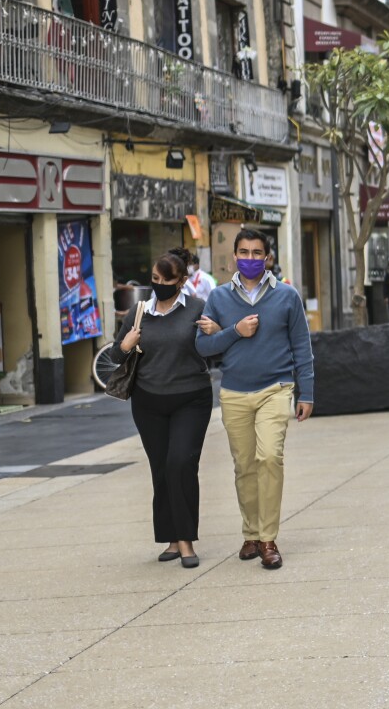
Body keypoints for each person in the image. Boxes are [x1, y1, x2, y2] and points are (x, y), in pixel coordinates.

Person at [195, 229, 315, 571]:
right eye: (244, 252)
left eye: (256, 253)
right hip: (234, 392)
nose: (250, 258)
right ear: (235, 256)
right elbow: (202, 348)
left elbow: (302, 348)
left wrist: (306, 392)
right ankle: (250, 532)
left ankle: (267, 538)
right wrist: (235, 331)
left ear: (267, 258)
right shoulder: (218, 298)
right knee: (244, 466)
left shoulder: (287, 297)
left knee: (269, 457)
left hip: (276, 389)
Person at [118, 247, 213, 568]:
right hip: (148, 402)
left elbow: (215, 351)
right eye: (154, 279)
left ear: (181, 281)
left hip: (191, 398)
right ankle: (171, 538)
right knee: (161, 469)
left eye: (164, 280)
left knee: (180, 464)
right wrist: (125, 345)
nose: (157, 284)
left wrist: (217, 333)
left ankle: (186, 541)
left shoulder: (199, 309)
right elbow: (117, 358)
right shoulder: (139, 312)